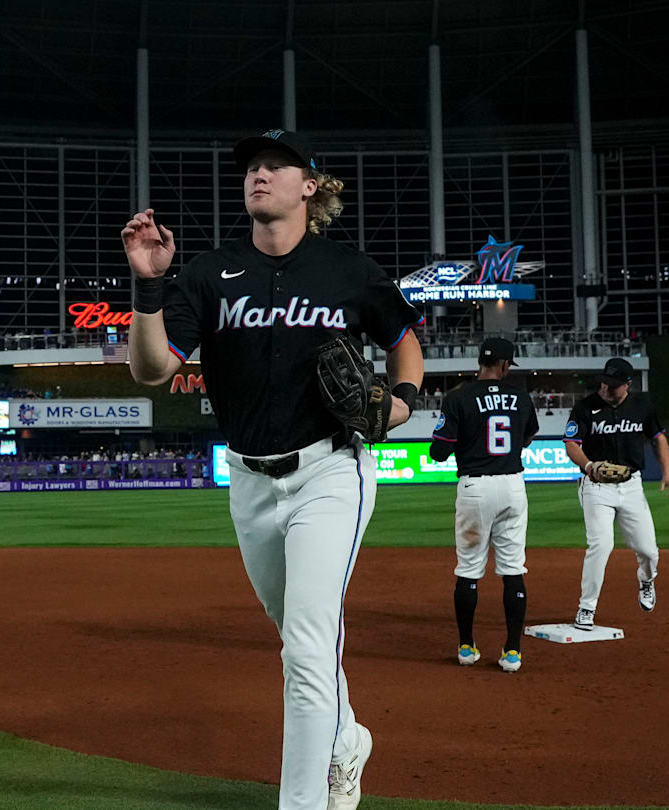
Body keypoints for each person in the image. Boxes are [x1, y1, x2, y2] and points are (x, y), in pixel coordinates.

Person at [122, 128, 426, 810]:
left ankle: (304, 802)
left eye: (275, 165)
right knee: (296, 638)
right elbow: (151, 369)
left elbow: (405, 337)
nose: (258, 174)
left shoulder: (348, 270)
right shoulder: (206, 272)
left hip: (330, 470)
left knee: (309, 651)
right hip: (250, 479)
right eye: (252, 167)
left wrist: (402, 402)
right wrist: (149, 286)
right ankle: (346, 742)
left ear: (308, 186)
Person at [428, 337, 538, 673]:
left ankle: (466, 647)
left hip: (474, 487)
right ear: (505, 366)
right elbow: (527, 436)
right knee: (513, 570)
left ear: (480, 362)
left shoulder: (459, 397)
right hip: (512, 486)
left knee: (468, 570)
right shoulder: (520, 396)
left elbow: (438, 452)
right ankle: (513, 652)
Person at [562, 357, 669, 630]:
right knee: (601, 545)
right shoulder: (585, 407)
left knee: (649, 551)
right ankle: (586, 608)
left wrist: (668, 473)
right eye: (604, 382)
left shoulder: (642, 406)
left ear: (627, 385)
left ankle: (646, 580)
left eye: (612, 385)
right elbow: (571, 444)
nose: (605, 388)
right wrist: (589, 465)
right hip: (596, 486)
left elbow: (658, 437)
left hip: (631, 485)